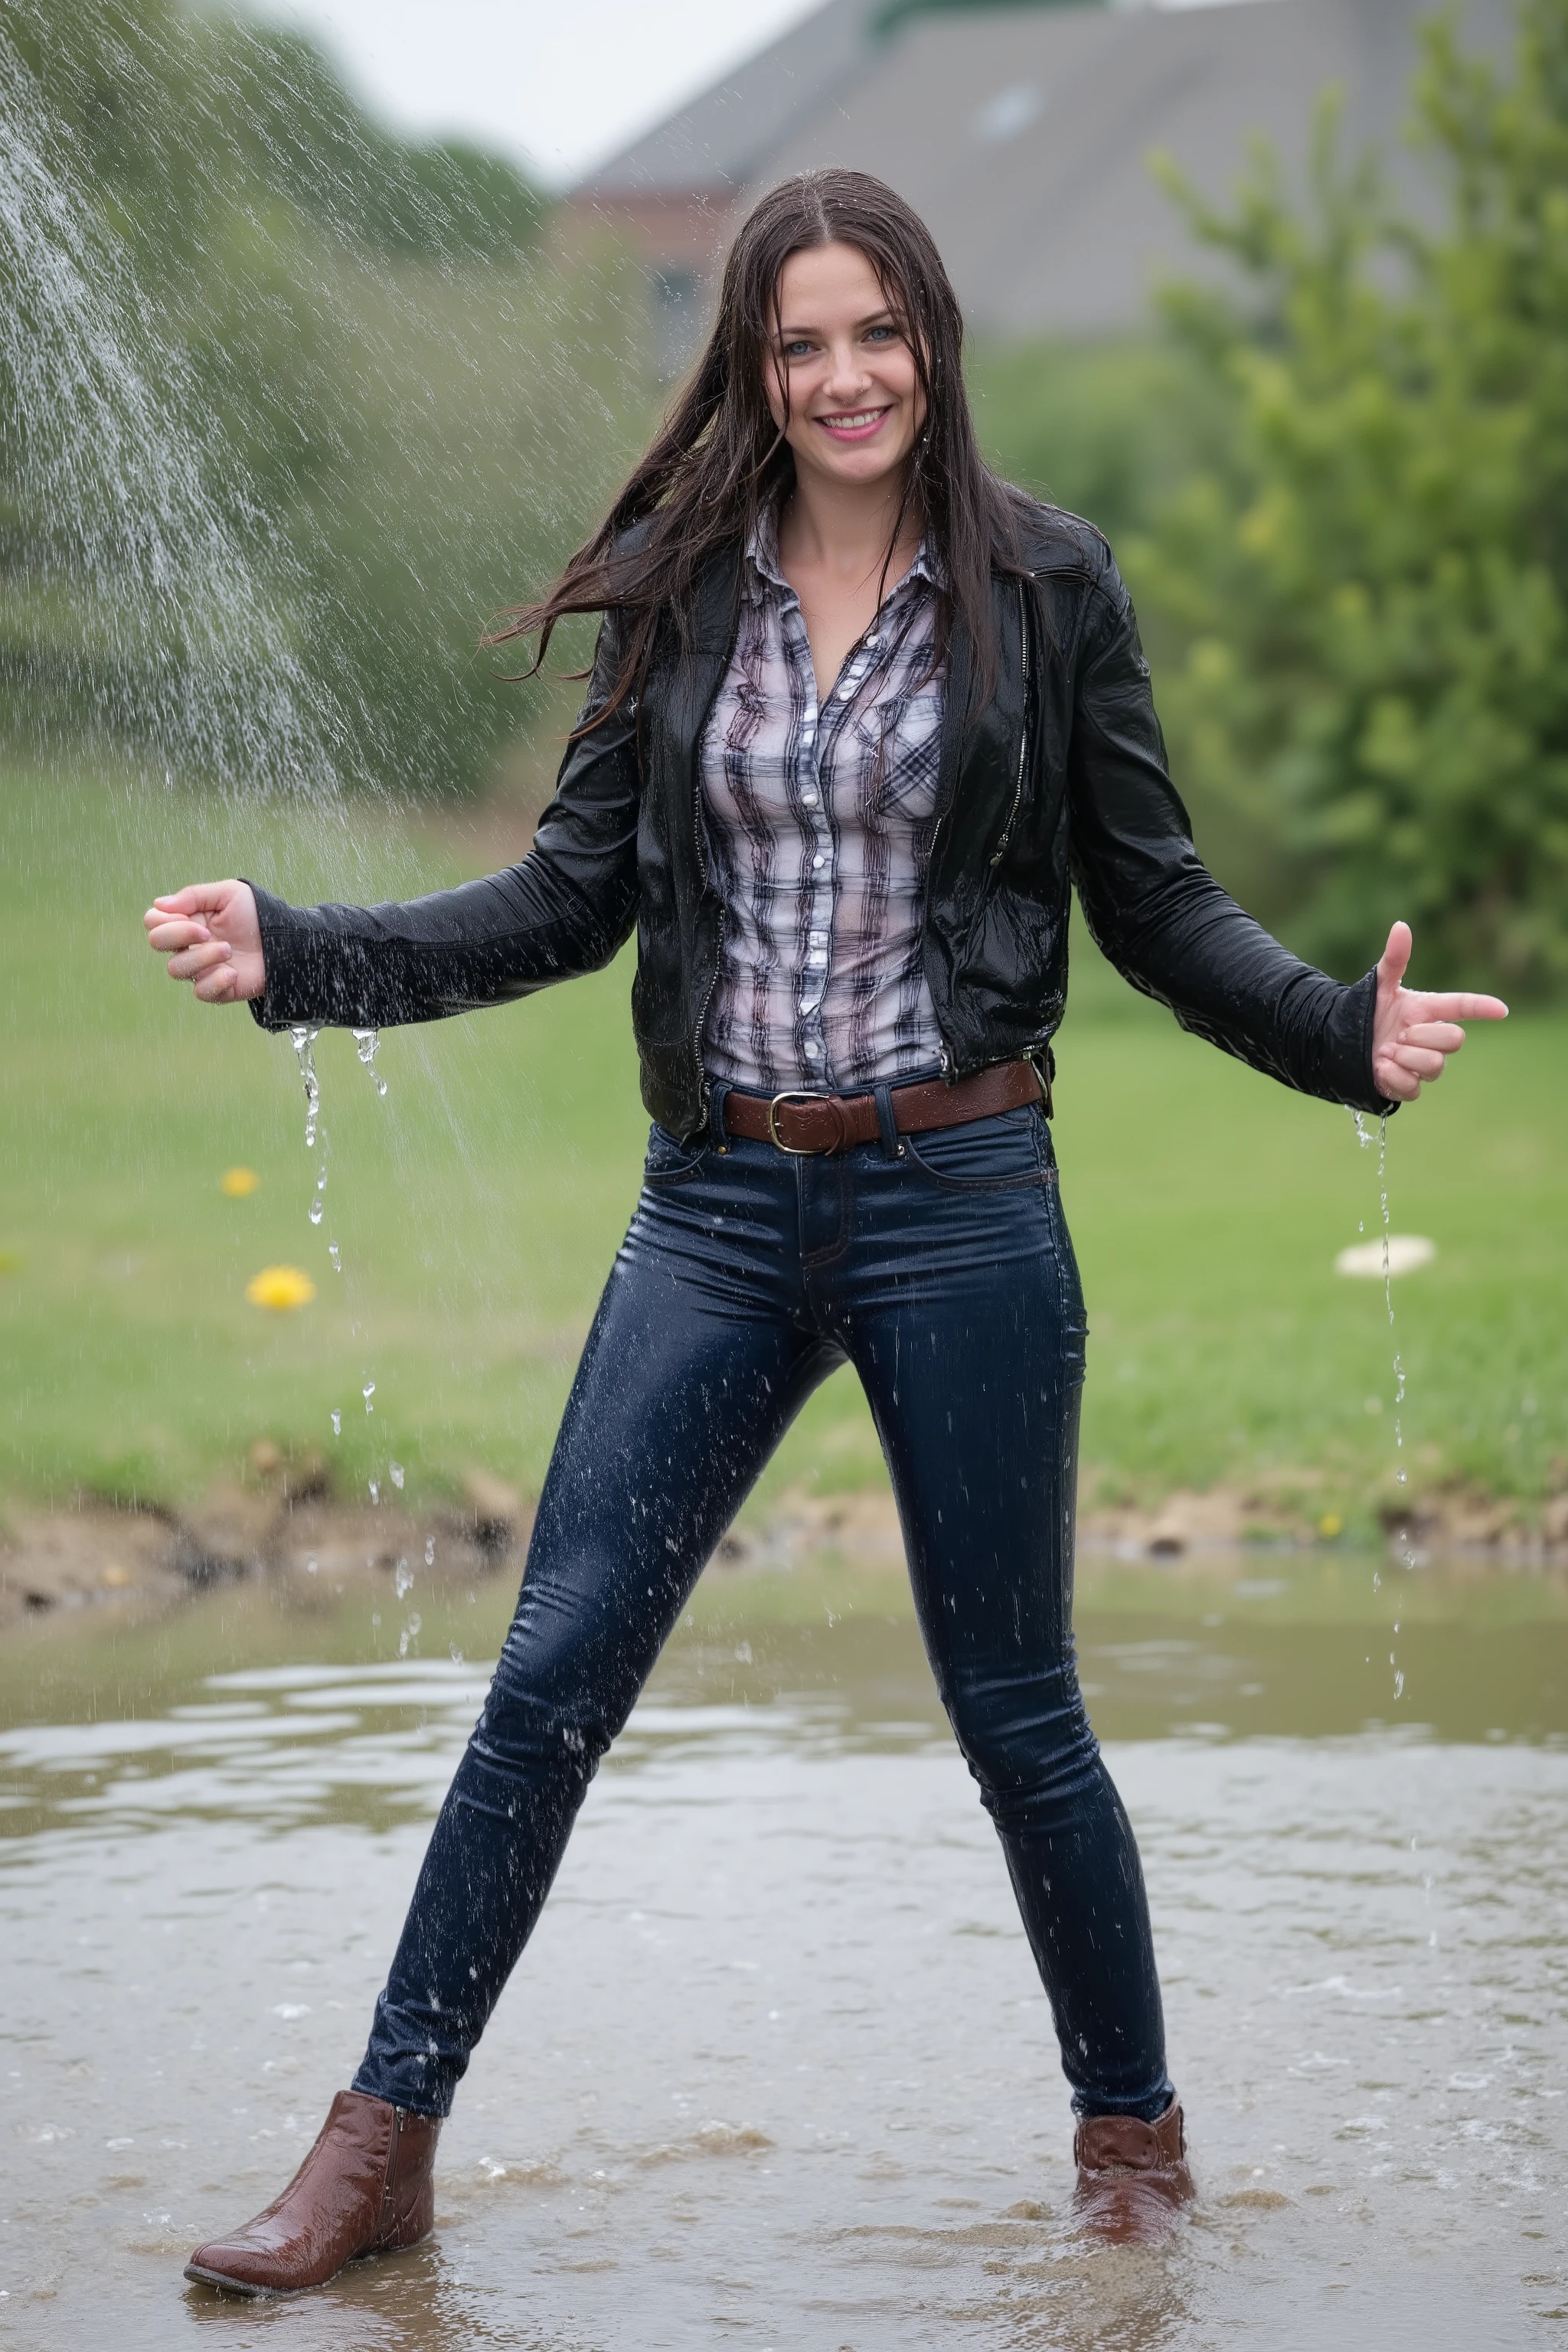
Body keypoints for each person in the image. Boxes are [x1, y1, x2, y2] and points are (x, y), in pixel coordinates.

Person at [146, 170, 1505, 2295]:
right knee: (548, 1683)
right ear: (757, 370)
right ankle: (377, 2148)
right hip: (718, 1204)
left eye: (878, 333)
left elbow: (1150, 898)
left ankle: (1130, 2162)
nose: (846, 375)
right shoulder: (686, 593)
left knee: (1015, 1709)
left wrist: (1346, 1035)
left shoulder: (1049, 588)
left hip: (962, 1198)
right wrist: (303, 951)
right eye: (802, 343)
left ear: (932, 341)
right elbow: (560, 899)